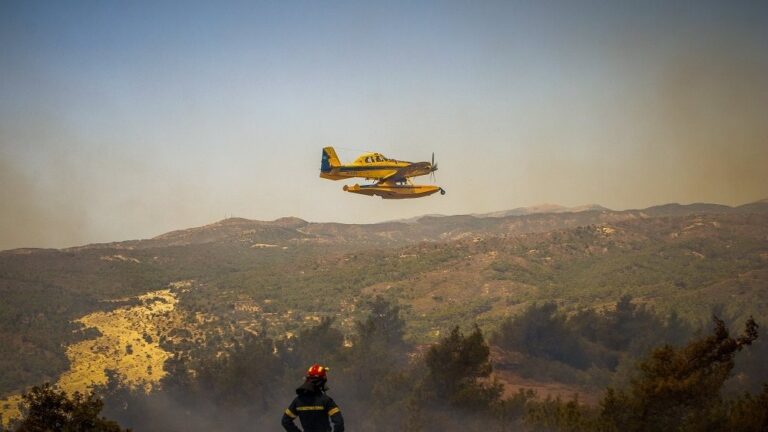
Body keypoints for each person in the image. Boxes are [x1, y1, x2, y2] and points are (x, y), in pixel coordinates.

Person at [282, 364, 344, 432]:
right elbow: (339, 423)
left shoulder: (298, 401)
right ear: (322, 381)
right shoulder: (326, 400)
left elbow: (285, 421)